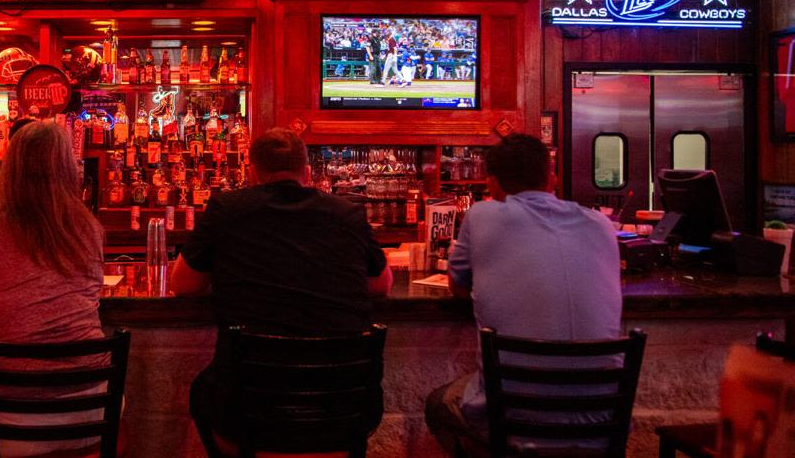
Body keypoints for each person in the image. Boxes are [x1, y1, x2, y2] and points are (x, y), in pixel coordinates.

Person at [172, 127, 393, 454]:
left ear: (252, 171)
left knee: (203, 393)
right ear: (306, 172)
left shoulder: (226, 209)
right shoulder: (347, 214)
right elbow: (381, 284)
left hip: (249, 415)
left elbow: (183, 285)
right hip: (342, 413)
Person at [425, 134, 621, 456]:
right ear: (552, 176)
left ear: (492, 183)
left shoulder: (481, 216)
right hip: (602, 421)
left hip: (513, 420)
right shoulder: (602, 225)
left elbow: (457, 285)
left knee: (438, 404)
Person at [0, 121, 108, 457]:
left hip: (1, 416)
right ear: (67, 170)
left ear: (9, 170)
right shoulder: (90, 230)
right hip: (88, 408)